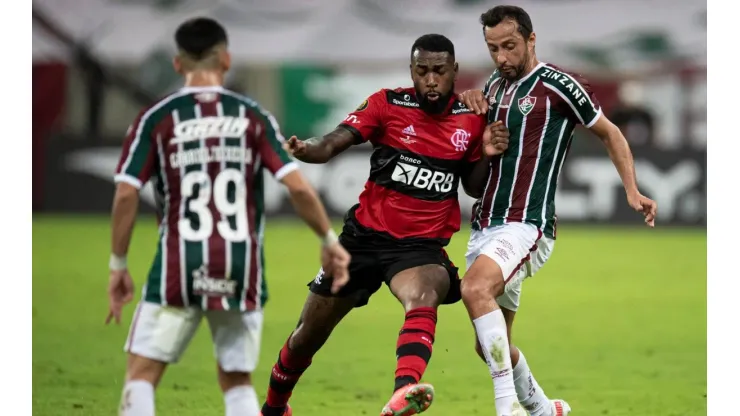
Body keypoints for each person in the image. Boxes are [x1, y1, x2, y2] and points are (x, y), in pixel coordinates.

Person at [106, 17, 350, 416]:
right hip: (241, 266)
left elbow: (126, 192)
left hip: (178, 265)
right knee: (236, 380)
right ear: (227, 59)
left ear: (177, 63)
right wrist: (328, 241)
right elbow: (299, 187)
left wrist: (118, 264)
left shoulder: (158, 118)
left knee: (141, 374)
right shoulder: (252, 116)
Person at [258, 34, 510, 416]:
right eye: (421, 70)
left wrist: (488, 155)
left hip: (420, 249)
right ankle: (275, 406)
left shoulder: (471, 118)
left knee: (426, 293)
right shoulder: (387, 104)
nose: (430, 80)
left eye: (439, 71)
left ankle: (404, 392)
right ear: (411, 70)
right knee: (308, 334)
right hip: (361, 240)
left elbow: (473, 187)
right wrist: (306, 149)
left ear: (453, 71)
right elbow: (332, 143)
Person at [457, 5, 659, 416]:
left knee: (475, 289)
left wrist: (632, 190)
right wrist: (471, 113)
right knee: (489, 344)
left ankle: (506, 408)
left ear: (531, 40)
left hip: (527, 224)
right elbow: (475, 176)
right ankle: (546, 410)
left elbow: (611, 133)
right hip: (486, 224)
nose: (502, 58)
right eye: (493, 48)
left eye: (510, 46)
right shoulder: (493, 86)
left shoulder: (559, 85)